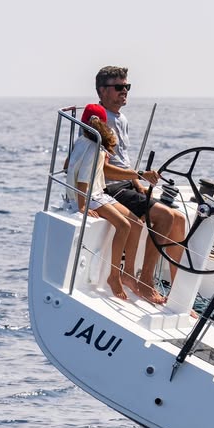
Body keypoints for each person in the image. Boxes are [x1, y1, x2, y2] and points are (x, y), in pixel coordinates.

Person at [95, 66, 186, 304]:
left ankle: (179, 293)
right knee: (165, 216)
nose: (124, 91)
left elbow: (123, 159)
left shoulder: (121, 119)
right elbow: (101, 167)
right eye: (119, 87)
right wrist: (139, 174)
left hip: (127, 184)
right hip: (111, 187)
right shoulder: (99, 120)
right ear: (102, 91)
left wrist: (138, 183)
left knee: (179, 219)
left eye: (127, 87)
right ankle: (145, 281)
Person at [66, 104, 139, 301]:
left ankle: (128, 275)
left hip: (95, 193)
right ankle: (114, 277)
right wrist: (82, 206)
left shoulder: (80, 142)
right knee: (124, 226)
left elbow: (67, 167)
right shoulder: (94, 147)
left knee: (136, 222)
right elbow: (83, 179)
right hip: (89, 196)